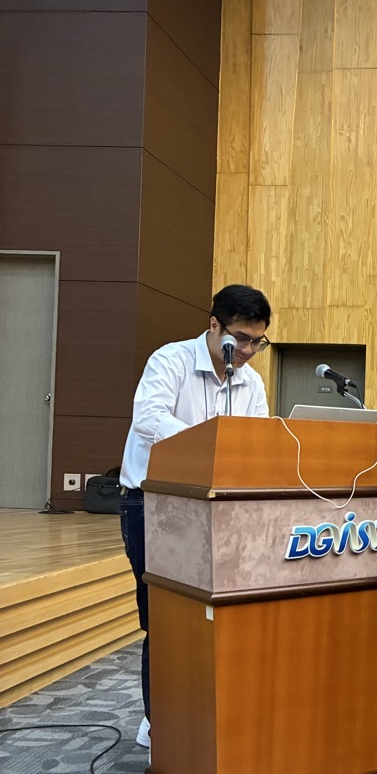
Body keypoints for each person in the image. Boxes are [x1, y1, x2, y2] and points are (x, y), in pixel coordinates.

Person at [119, 285, 272, 747]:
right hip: (154, 504)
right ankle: (161, 721)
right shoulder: (171, 361)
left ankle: (208, 715)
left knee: (215, 617)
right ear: (213, 325)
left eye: (257, 342)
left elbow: (256, 443)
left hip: (219, 509)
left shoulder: (251, 383)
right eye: (241, 338)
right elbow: (148, 418)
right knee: (165, 619)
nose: (248, 351)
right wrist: (208, 442)